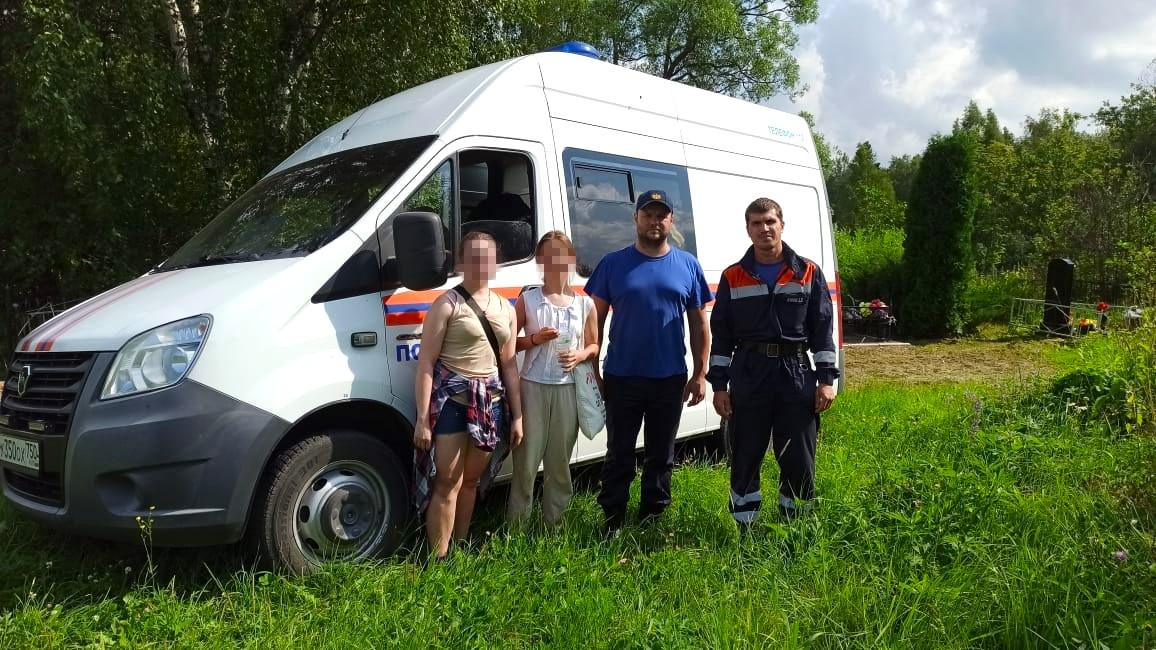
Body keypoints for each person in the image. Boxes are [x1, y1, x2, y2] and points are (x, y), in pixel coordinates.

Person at [586, 189, 713, 534]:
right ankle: (612, 520)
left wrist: (701, 373)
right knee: (618, 454)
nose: (654, 221)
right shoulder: (613, 264)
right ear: (636, 218)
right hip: (621, 377)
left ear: (671, 221)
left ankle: (652, 520)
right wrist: (593, 370)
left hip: (669, 378)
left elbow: (700, 324)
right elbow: (592, 320)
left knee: (661, 455)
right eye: (648, 214)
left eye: (661, 215)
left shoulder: (688, 265)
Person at [707, 197, 838, 529]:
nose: (764, 228)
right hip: (749, 373)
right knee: (745, 455)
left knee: (798, 456)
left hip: (795, 373)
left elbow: (823, 328)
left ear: (782, 224)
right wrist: (719, 385)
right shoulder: (733, 276)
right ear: (748, 229)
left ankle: (795, 528)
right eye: (756, 223)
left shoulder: (807, 272)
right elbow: (721, 334)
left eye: (769, 221)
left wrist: (826, 379)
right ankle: (746, 530)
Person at [413, 231, 524, 560]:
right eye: (473, 256)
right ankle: (439, 557)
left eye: (487, 256)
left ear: (495, 262)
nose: (481, 262)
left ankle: (460, 547)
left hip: (490, 405)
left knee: (472, 482)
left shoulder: (506, 308)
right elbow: (426, 365)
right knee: (446, 482)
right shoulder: (447, 304)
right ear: (461, 262)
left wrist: (517, 415)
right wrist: (422, 419)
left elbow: (509, 367)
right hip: (452, 405)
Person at [507, 231, 599, 525]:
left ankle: (554, 528)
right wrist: (534, 339)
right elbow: (509, 346)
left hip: (567, 389)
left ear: (571, 259)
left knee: (559, 464)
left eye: (561, 254)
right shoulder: (528, 300)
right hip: (532, 386)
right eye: (548, 255)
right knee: (526, 462)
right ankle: (516, 530)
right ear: (540, 261)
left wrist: (580, 355)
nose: (554, 261)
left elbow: (594, 346)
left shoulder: (585, 304)